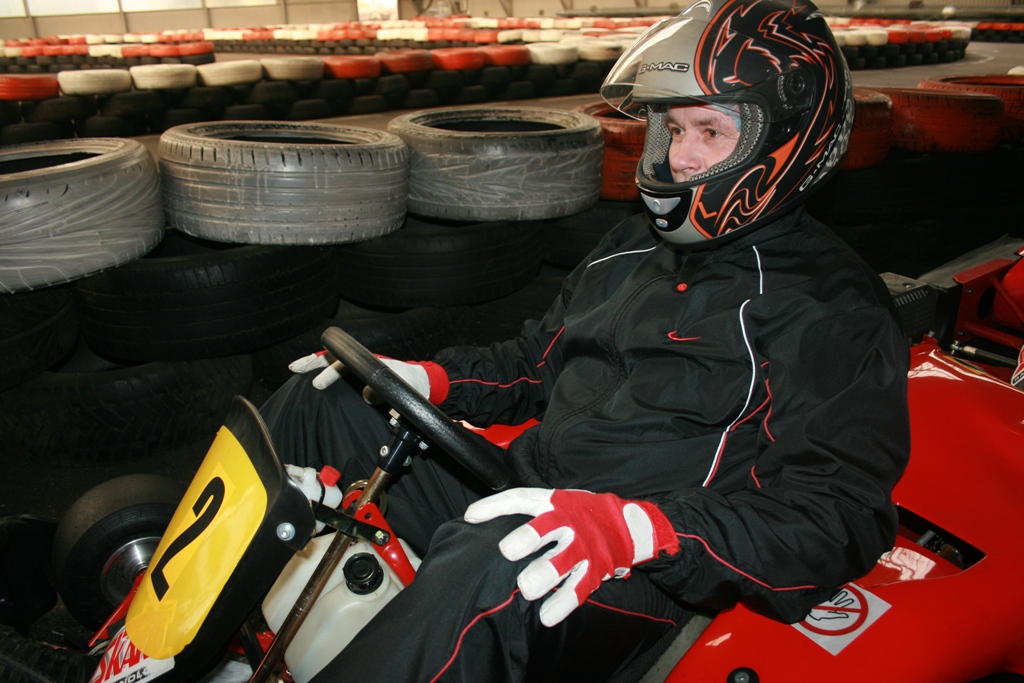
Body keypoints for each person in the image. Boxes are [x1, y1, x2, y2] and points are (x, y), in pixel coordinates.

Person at [260, 0, 911, 679]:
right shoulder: (634, 245)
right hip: (532, 491)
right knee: (324, 396)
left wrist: (644, 530)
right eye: (673, 128)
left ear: (783, 144)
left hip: (649, 568)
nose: (680, 157)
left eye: (711, 132)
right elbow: (533, 364)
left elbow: (837, 517)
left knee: (503, 561)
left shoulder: (831, 308)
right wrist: (431, 380)